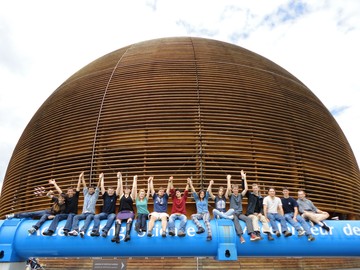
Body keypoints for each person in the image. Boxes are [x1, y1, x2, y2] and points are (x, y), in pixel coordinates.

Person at [228, 171, 260, 243]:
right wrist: (228, 180)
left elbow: (246, 189)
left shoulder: (240, 195)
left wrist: (244, 178)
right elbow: (229, 189)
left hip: (239, 213)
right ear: (233, 190)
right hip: (233, 213)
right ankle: (241, 236)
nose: (235, 190)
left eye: (236, 189)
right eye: (234, 189)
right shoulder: (231, 196)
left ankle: (252, 234)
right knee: (236, 220)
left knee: (248, 219)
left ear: (238, 190)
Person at [68, 172, 100, 237]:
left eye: (92, 189)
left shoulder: (95, 195)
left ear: (94, 190)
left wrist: (100, 179)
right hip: (83, 213)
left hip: (91, 214)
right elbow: (84, 185)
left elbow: (98, 187)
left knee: (88, 218)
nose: (91, 190)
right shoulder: (86, 194)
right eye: (90, 189)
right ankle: (75, 230)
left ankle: (83, 231)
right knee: (76, 217)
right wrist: (82, 177)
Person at [90, 172, 121, 237]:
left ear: (113, 191)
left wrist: (119, 178)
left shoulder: (115, 196)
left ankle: (105, 230)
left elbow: (119, 187)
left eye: (112, 191)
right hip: (104, 213)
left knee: (112, 217)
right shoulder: (105, 195)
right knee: (96, 216)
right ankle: (96, 231)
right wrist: (102, 178)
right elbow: (102, 186)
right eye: (109, 190)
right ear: (107, 191)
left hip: (111, 214)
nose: (110, 192)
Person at [111, 175, 136, 244]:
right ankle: (116, 236)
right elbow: (120, 186)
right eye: (126, 189)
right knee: (118, 221)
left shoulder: (131, 196)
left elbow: (134, 188)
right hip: (121, 212)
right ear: (124, 190)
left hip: (129, 212)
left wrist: (134, 179)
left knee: (129, 220)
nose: (127, 190)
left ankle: (127, 235)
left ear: (130, 190)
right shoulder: (121, 195)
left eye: (128, 189)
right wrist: (120, 178)